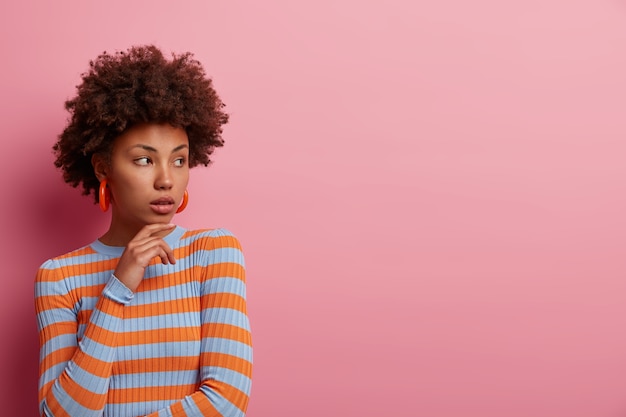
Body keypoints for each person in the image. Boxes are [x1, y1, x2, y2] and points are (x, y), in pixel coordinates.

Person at [34, 45, 252, 417]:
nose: (167, 179)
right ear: (103, 168)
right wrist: (118, 288)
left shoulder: (213, 252)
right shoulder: (59, 279)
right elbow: (61, 414)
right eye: (144, 160)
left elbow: (226, 401)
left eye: (179, 160)